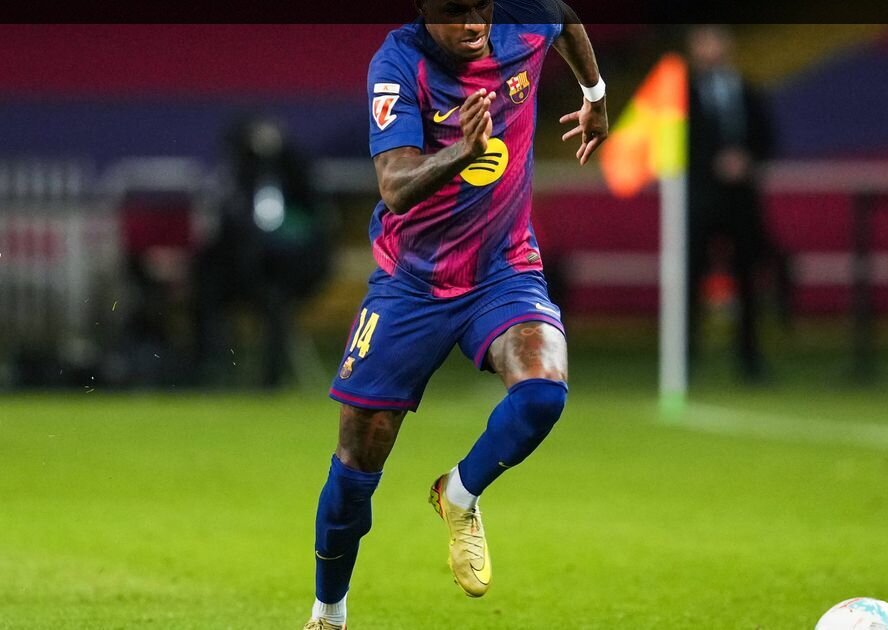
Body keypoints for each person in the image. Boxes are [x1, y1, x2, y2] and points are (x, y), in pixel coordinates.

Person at [304, 1, 607, 628]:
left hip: (503, 270)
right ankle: (328, 613)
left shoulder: (522, 20)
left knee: (543, 393)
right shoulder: (399, 63)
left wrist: (594, 94)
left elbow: (563, 16)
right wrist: (464, 151)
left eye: (480, 7)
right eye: (455, 12)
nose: (473, 24)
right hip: (411, 284)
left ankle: (459, 493)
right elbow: (394, 184)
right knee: (355, 471)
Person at [193, 116, 330, 388]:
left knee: (275, 304)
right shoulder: (239, 180)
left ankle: (271, 380)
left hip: (287, 274)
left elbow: (315, 236)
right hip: (245, 274)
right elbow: (221, 243)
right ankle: (210, 370)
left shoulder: (296, 178)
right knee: (205, 290)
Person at [684, 25, 781, 383]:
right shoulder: (679, 93)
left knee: (748, 279)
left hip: (742, 202)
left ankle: (750, 359)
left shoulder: (747, 90)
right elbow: (676, 143)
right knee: (689, 279)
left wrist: (747, 160)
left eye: (715, 41)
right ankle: (683, 360)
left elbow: (768, 138)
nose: (710, 49)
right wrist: (711, 163)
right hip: (698, 202)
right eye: (703, 42)